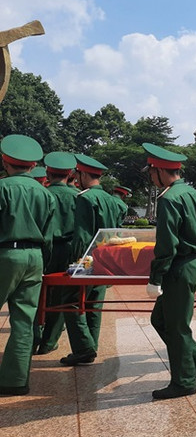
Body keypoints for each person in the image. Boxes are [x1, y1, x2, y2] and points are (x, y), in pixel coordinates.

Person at [143, 143, 196, 399]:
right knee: (160, 319)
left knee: (177, 326)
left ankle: (183, 382)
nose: (151, 178)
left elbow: (167, 244)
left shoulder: (170, 198)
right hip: (193, 262)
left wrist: (156, 276)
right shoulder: (192, 193)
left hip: (178, 266)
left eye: (151, 173)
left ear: (160, 170)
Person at [0, 134, 54, 395]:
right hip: (35, 257)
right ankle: (15, 381)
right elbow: (50, 236)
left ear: (4, 161)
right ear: (33, 166)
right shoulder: (45, 194)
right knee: (23, 321)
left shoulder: (2, 188)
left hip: (6, 254)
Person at [60, 154, 125, 366]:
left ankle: (83, 348)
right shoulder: (112, 200)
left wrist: (75, 263)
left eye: (77, 174)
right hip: (107, 260)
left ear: (84, 173)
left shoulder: (85, 198)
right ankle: (91, 346)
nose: (76, 178)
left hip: (88, 259)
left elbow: (82, 234)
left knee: (71, 302)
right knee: (94, 304)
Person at [35, 151, 79, 355]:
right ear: (70, 173)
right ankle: (49, 341)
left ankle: (34, 336)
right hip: (68, 249)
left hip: (43, 247)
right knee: (61, 296)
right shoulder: (77, 196)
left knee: (34, 293)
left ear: (48, 173)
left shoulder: (41, 193)